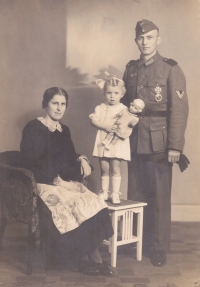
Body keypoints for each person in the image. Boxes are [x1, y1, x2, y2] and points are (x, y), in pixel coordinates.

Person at [20, 87, 114, 276]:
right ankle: (78, 259)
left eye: (63, 104)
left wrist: (81, 159)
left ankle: (92, 255)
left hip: (62, 181)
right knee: (69, 206)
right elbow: (32, 161)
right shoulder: (33, 128)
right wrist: (60, 181)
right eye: (55, 103)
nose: (59, 108)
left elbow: (69, 156)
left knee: (92, 201)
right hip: (41, 183)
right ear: (46, 104)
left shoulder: (64, 130)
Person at [121, 19, 189, 267]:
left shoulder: (171, 69)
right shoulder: (130, 69)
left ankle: (158, 247)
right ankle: (135, 241)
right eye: (141, 38)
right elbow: (122, 104)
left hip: (160, 142)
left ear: (158, 40)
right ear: (136, 40)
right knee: (135, 193)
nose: (145, 42)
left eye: (150, 37)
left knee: (159, 196)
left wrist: (175, 146)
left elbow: (179, 110)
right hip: (134, 138)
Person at [89, 75, 138, 205]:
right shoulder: (100, 108)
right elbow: (94, 121)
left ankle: (115, 193)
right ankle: (104, 191)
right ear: (104, 93)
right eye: (109, 93)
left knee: (115, 167)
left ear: (122, 94)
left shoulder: (124, 109)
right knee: (104, 167)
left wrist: (131, 123)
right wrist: (106, 126)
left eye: (116, 93)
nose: (112, 96)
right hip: (103, 139)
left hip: (117, 141)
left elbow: (128, 124)